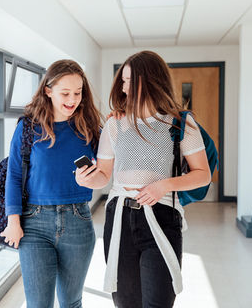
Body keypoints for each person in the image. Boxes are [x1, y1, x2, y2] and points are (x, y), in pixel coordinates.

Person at [75, 50, 211, 307]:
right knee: (125, 302)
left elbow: (202, 175)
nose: (123, 87)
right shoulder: (115, 124)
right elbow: (103, 176)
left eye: (129, 81)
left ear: (149, 81)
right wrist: (86, 180)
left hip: (161, 217)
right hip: (120, 219)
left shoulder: (181, 124)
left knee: (159, 300)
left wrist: (164, 185)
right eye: (122, 81)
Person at [1, 59, 102, 308]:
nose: (73, 99)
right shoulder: (27, 128)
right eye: (65, 93)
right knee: (38, 304)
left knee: (71, 302)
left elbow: (106, 170)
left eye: (78, 93)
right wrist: (13, 221)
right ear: (48, 90)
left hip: (78, 220)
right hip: (34, 223)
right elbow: (14, 176)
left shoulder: (89, 127)